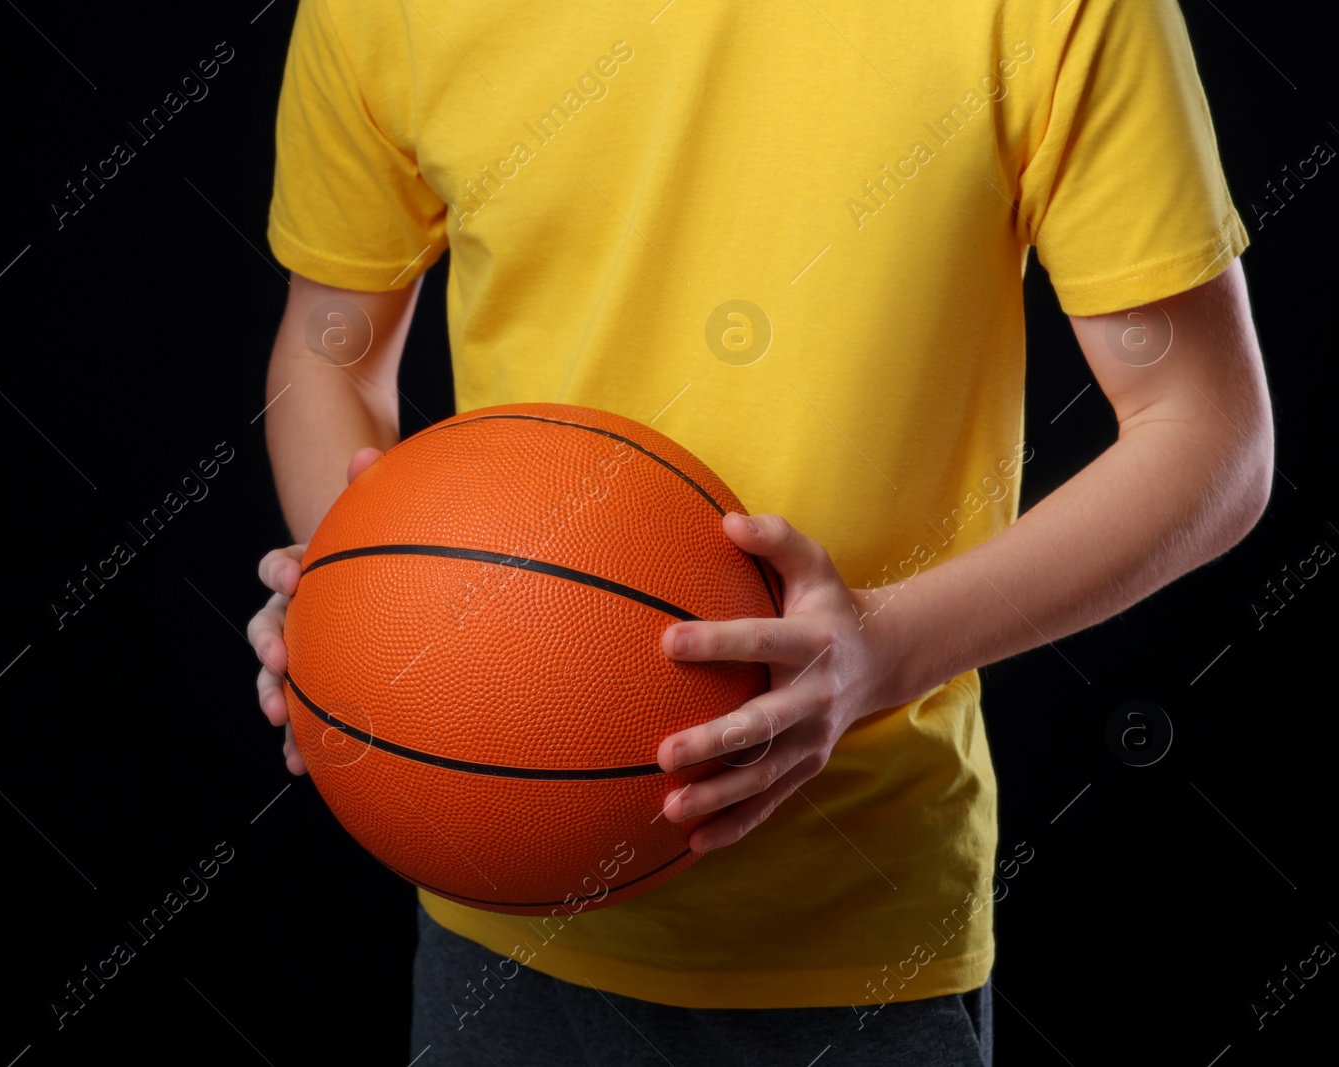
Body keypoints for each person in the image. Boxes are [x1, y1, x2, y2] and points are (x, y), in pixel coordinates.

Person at [246, 1, 1273, 1063]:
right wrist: (371, 612)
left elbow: (1208, 434)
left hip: (862, 926)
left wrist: (878, 649)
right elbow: (330, 348)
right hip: (503, 912)